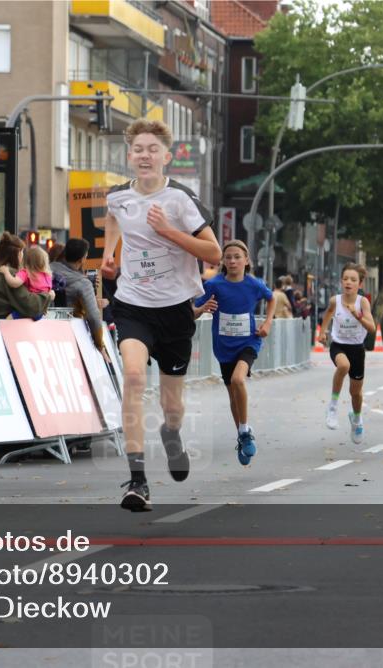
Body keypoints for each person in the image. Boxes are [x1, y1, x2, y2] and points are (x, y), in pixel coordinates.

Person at [101, 118, 222, 512]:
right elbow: (115, 219)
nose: (145, 155)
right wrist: (109, 254)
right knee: (133, 377)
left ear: (167, 157)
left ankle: (172, 433)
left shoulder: (181, 201)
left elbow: (214, 254)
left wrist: (169, 231)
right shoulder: (118, 198)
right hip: (133, 304)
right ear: (130, 156)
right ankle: (137, 482)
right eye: (138, 149)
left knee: (172, 404)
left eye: (153, 149)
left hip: (175, 310)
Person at [192, 240, 273, 466]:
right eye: (228, 257)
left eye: (237, 256)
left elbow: (271, 298)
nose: (233, 261)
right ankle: (242, 434)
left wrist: (267, 323)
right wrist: (200, 309)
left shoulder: (254, 284)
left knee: (238, 380)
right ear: (223, 262)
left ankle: (245, 431)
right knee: (232, 395)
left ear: (246, 260)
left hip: (249, 341)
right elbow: (193, 311)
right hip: (224, 347)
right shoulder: (215, 285)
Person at [318, 263, 375, 445]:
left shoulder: (362, 302)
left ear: (360, 284)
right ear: (341, 281)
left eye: (353, 279)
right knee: (343, 366)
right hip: (339, 345)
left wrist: (357, 315)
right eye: (345, 279)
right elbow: (327, 314)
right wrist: (322, 331)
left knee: (355, 393)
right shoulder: (336, 301)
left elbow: (372, 327)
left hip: (357, 348)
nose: (348, 282)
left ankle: (357, 419)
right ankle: (332, 407)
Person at [49, 237, 107, 345]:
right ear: (82, 259)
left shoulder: (47, 269)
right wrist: (100, 346)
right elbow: (94, 318)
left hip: (44, 332)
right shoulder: (83, 284)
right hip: (71, 337)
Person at [0, 232, 54, 319]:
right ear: (18, 253)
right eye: (23, 252)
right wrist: (48, 295)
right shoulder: (9, 275)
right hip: (7, 327)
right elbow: (31, 305)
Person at [0, 245, 52, 319]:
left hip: (28, 309)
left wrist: (6, 272)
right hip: (40, 312)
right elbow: (48, 293)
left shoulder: (26, 272)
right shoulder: (47, 275)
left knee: (9, 318)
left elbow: (14, 283)